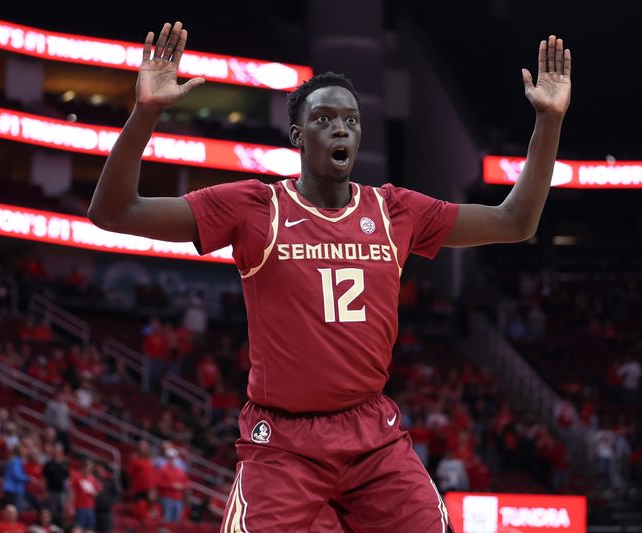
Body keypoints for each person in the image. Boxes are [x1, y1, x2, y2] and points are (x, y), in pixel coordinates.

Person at [87, 21, 571, 531]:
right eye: (324, 118)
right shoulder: (254, 206)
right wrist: (145, 113)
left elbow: (516, 222)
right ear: (298, 135)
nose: (341, 128)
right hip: (284, 443)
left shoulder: (395, 210)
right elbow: (114, 213)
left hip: (372, 436)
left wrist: (549, 122)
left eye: (351, 120)